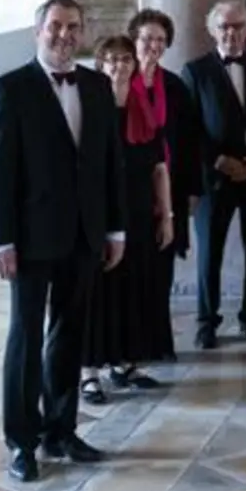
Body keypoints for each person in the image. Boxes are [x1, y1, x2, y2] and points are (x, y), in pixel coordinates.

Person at [0, 0, 125, 482]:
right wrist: (0, 240)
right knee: (25, 337)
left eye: (74, 27)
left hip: (85, 234)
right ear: (37, 30)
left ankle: (60, 430)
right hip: (30, 237)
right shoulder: (10, 89)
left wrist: (115, 228)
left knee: (69, 335)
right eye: (56, 26)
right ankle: (22, 440)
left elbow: (110, 164)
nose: (65, 35)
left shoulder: (98, 86)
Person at [182, 1, 246, 350]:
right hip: (215, 177)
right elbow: (191, 129)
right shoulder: (195, 72)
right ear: (213, 30)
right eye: (224, 27)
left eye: (238, 26)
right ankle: (206, 321)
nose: (231, 33)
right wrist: (218, 160)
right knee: (209, 250)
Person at [78, 36, 175, 406]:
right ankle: (89, 371)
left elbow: (159, 167)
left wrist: (166, 215)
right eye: (111, 60)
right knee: (96, 293)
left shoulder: (142, 108)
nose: (119, 66)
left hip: (137, 211)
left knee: (132, 288)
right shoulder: (91, 107)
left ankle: (123, 363)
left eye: (125, 59)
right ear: (100, 65)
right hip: (99, 213)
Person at [126, 10, 202, 288]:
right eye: (147, 38)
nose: (154, 45)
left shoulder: (175, 86)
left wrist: (193, 189)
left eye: (161, 39)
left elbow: (190, 139)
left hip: (170, 188)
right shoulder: (119, 82)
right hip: (129, 189)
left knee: (161, 270)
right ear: (134, 40)